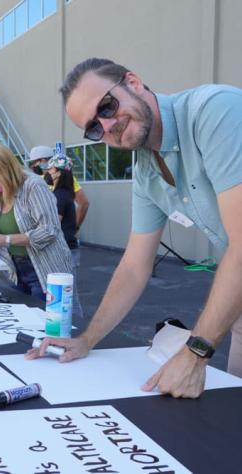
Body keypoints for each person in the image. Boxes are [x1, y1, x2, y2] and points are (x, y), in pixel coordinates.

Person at [28, 56, 242, 399]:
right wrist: (86, 340)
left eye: (107, 106)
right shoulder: (145, 170)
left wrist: (195, 353)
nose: (107, 126)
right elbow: (133, 265)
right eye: (94, 128)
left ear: (134, 83)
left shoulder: (214, 112)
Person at [0, 142, 73, 303]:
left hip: (46, 269)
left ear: (6, 172)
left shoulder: (33, 186)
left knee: (47, 322)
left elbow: (50, 230)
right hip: (17, 271)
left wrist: (6, 239)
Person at [45, 153, 83, 319]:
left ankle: (76, 329)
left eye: (51, 168)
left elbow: (53, 225)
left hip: (65, 250)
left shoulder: (59, 196)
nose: (47, 171)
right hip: (69, 248)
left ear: (59, 172)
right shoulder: (65, 194)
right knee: (68, 294)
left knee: (69, 296)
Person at [29, 145, 90, 234]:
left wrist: (74, 228)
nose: (33, 165)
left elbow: (84, 203)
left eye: (35, 162)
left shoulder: (62, 179)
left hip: (54, 233)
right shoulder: (35, 178)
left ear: (44, 160)